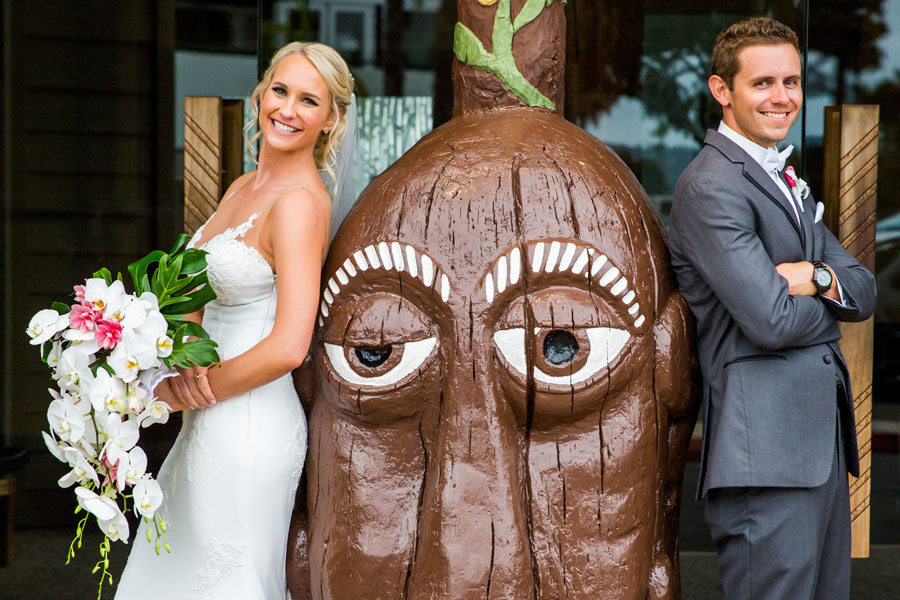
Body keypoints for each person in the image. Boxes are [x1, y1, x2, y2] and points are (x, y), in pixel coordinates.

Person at [115, 41, 354, 600]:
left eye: (308, 100)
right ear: (260, 93)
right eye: (280, 90)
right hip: (206, 419)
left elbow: (291, 345)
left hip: (248, 423)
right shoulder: (242, 188)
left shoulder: (298, 204)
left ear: (331, 120)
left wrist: (182, 394)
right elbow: (200, 293)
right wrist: (172, 346)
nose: (287, 110)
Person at [668, 17, 876, 600]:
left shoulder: (782, 175)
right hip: (767, 455)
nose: (782, 97)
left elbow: (863, 288)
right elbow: (770, 320)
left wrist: (812, 276)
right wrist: (828, 304)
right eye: (763, 83)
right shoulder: (712, 186)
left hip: (817, 448)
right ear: (722, 91)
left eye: (792, 81)